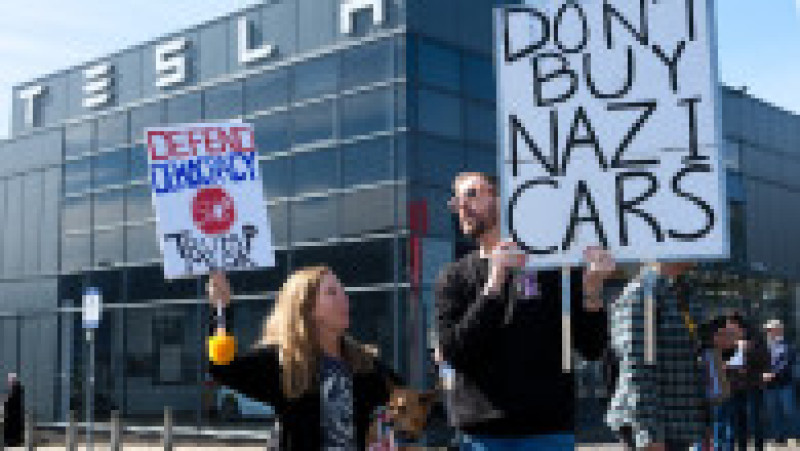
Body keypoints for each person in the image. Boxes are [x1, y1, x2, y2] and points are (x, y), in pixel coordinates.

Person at [434, 172, 610, 450]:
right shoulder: (454, 276)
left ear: (504, 198)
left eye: (472, 194)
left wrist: (592, 289)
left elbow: (591, 347)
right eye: (456, 201)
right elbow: (454, 352)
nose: (462, 206)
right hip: (481, 433)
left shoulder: (554, 266)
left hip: (547, 430)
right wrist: (494, 285)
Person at [206, 267, 402, 450]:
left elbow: (411, 401)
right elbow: (223, 368)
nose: (345, 298)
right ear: (307, 308)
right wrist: (221, 310)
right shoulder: (285, 361)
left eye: (343, 291)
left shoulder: (364, 363)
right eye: (332, 293)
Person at [604, 262, 708, 451]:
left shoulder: (683, 291)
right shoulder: (645, 293)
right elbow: (638, 368)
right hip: (654, 425)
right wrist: (649, 433)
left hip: (678, 420)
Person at [724, 312, 769, 451]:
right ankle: (742, 447)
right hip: (735, 386)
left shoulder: (755, 337)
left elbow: (764, 359)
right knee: (739, 421)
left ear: (737, 324)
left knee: (756, 421)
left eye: (730, 324)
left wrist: (747, 351)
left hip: (753, 385)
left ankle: (759, 447)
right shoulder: (727, 339)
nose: (728, 327)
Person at [698, 315, 735, 451]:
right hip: (705, 399)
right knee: (705, 434)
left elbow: (730, 344)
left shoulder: (717, 352)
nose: (723, 337)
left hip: (720, 396)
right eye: (719, 334)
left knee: (721, 430)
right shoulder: (701, 353)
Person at [762, 319, 796, 445]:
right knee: (773, 412)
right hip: (769, 385)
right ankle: (779, 437)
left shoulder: (787, 345)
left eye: (770, 329)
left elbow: (787, 363)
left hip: (784, 384)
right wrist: (763, 374)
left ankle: (795, 435)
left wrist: (773, 374)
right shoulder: (765, 346)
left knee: (789, 410)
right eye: (767, 330)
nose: (768, 332)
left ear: (778, 330)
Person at [3, 373, 24, 447]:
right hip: (13, 414)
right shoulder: (16, 389)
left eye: (10, 379)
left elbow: (12, 401)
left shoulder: (16, 390)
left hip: (13, 415)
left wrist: (5, 402)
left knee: (12, 429)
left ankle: (12, 442)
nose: (9, 381)